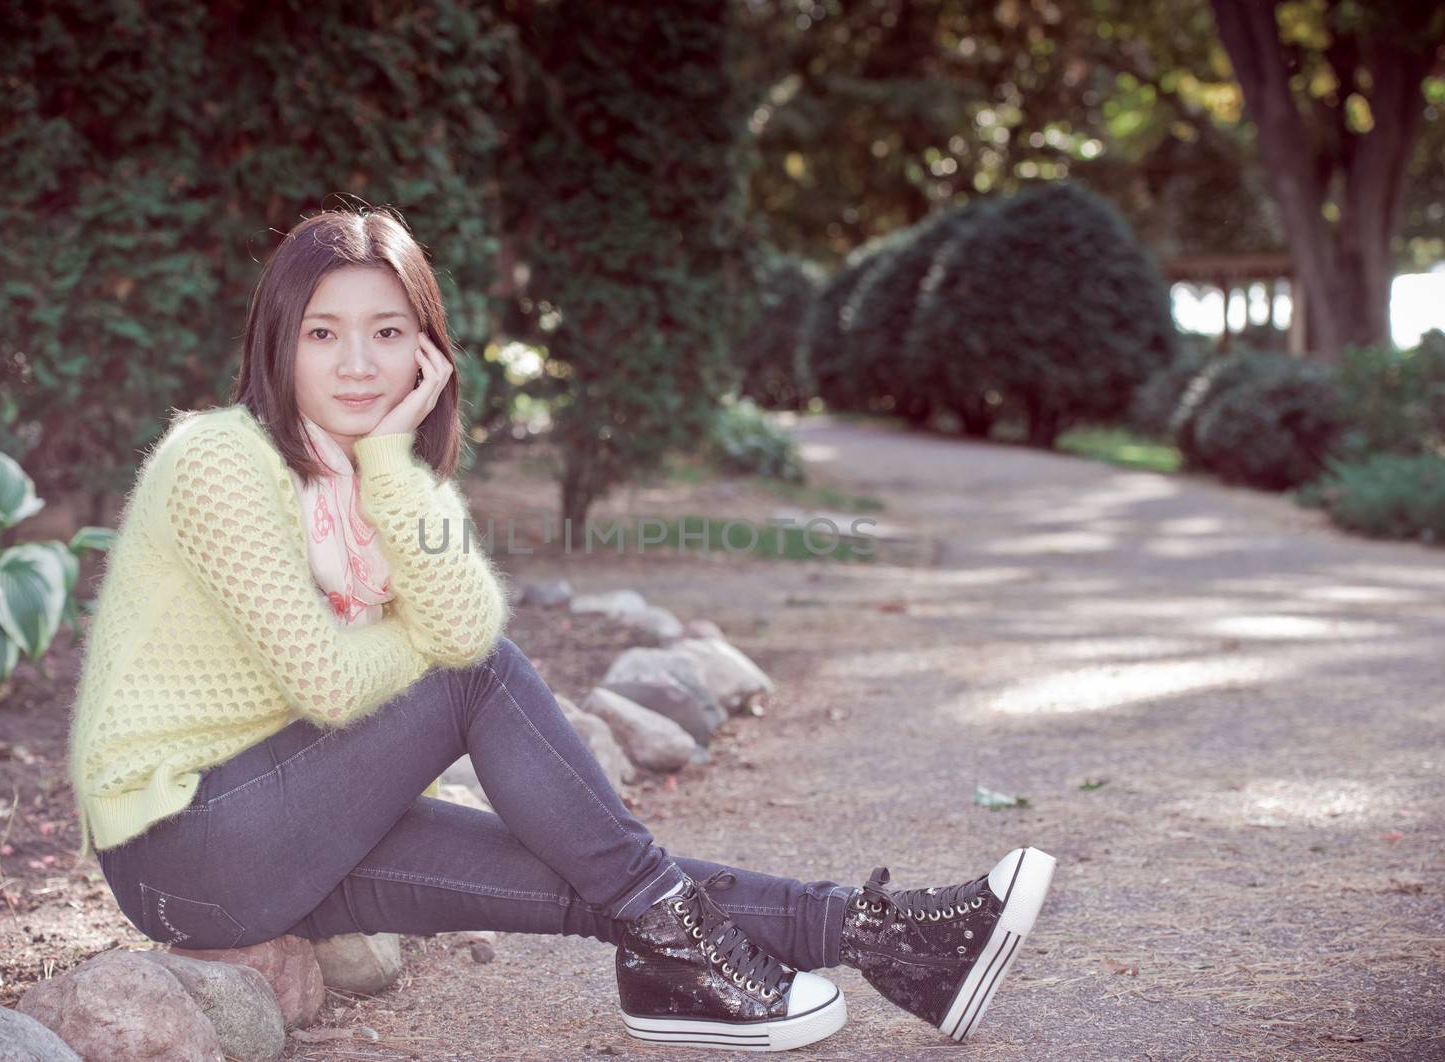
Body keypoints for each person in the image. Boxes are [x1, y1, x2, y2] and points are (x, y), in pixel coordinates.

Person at [67, 205, 1057, 1052]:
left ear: (426, 347)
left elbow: (454, 614)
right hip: (186, 846)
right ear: (275, 340)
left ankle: (894, 944)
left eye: (386, 332)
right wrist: (411, 559)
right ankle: (692, 953)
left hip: (288, 828)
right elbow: (355, 679)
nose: (358, 363)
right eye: (323, 333)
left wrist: (393, 462)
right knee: (472, 675)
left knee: (583, 868)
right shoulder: (217, 459)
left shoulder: (363, 476)